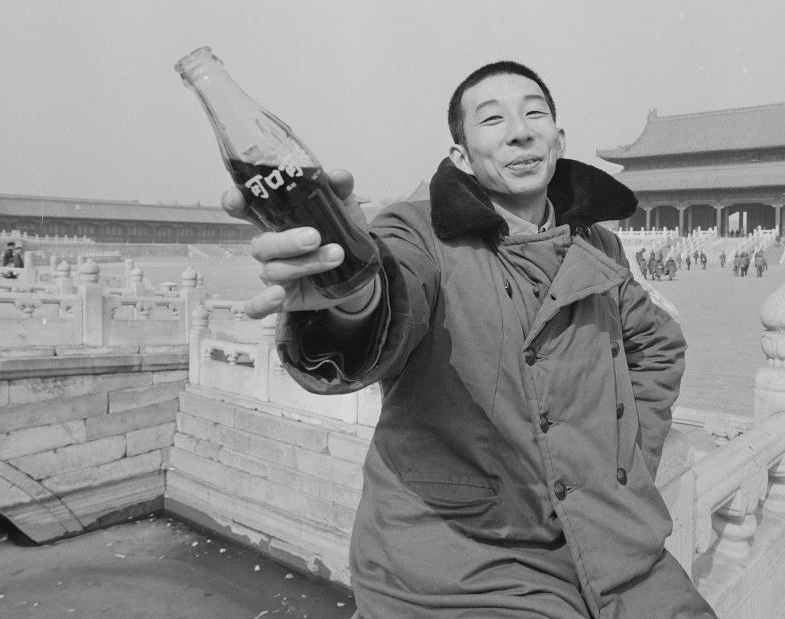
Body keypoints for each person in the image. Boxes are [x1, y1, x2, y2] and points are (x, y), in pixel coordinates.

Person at [221, 61, 715, 618]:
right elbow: (390, 295)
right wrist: (350, 296)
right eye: (491, 119)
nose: (520, 130)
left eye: (535, 113)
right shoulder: (417, 232)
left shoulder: (598, 242)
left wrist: (626, 463)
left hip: (613, 542)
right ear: (461, 157)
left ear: (558, 140)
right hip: (461, 556)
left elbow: (656, 346)